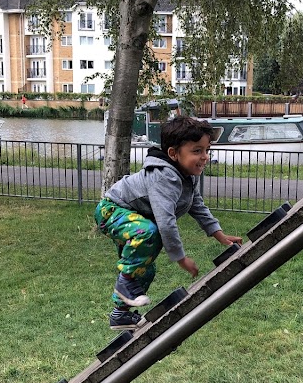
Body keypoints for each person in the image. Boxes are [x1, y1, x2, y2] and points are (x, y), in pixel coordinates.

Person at [95, 117, 242, 330]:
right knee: (150, 233)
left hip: (134, 218)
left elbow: (196, 205)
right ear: (173, 154)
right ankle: (123, 295)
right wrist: (181, 259)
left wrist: (220, 235)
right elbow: (166, 222)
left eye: (206, 150)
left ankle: (121, 314)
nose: (205, 157)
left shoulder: (186, 176)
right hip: (111, 210)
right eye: (197, 151)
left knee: (145, 268)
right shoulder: (164, 177)